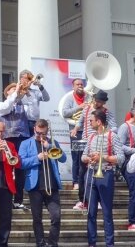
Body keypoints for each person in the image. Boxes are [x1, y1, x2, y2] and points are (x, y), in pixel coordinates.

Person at [19, 119, 66, 247]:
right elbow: (20, 163)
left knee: (56, 216)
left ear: (47, 131)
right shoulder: (25, 143)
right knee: (37, 218)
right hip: (35, 186)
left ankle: (52, 243)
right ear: (34, 129)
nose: (41, 136)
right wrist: (37, 158)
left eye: (43, 133)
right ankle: (40, 243)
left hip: (52, 185)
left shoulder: (52, 142)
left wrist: (50, 146)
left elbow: (63, 158)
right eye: (38, 133)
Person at [82, 109, 124, 247]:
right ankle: (91, 243)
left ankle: (109, 244)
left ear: (98, 121)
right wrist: (90, 158)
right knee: (91, 212)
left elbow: (121, 158)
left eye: (91, 121)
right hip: (91, 173)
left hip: (106, 174)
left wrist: (103, 157)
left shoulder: (113, 136)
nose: (89, 123)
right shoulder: (92, 137)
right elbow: (83, 156)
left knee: (107, 212)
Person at [0, 82, 35, 210]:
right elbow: (7, 107)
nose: (16, 90)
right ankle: (5, 197)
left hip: (22, 138)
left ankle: (18, 200)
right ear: (7, 92)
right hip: (7, 138)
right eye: (12, 89)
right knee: (6, 168)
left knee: (20, 170)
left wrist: (29, 96)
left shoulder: (24, 105)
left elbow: (34, 114)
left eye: (16, 88)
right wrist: (16, 93)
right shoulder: (1, 105)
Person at [61, 78, 88, 208]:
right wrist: (79, 107)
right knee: (76, 156)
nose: (80, 86)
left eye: (82, 84)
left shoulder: (88, 97)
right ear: (73, 86)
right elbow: (65, 112)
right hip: (74, 131)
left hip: (87, 131)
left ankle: (84, 180)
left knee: (85, 156)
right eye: (77, 84)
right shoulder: (69, 98)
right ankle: (75, 181)